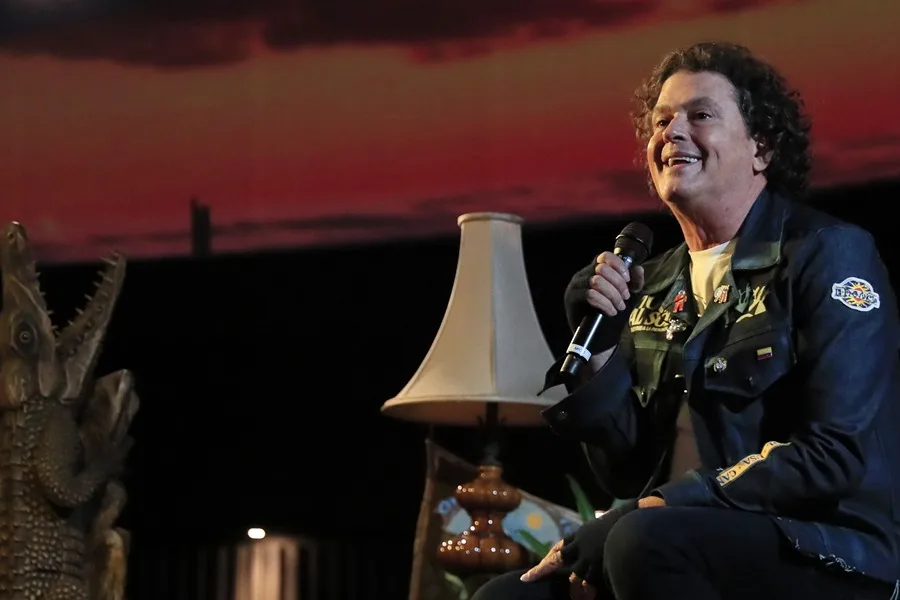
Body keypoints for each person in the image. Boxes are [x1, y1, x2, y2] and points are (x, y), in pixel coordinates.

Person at [471, 41, 900, 600]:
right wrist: (599, 353)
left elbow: (834, 453)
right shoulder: (652, 284)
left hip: (820, 546)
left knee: (641, 542)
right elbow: (625, 473)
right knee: (505, 597)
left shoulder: (827, 254)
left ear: (761, 147)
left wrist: (653, 508)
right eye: (661, 121)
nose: (672, 132)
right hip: (671, 539)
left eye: (700, 115)